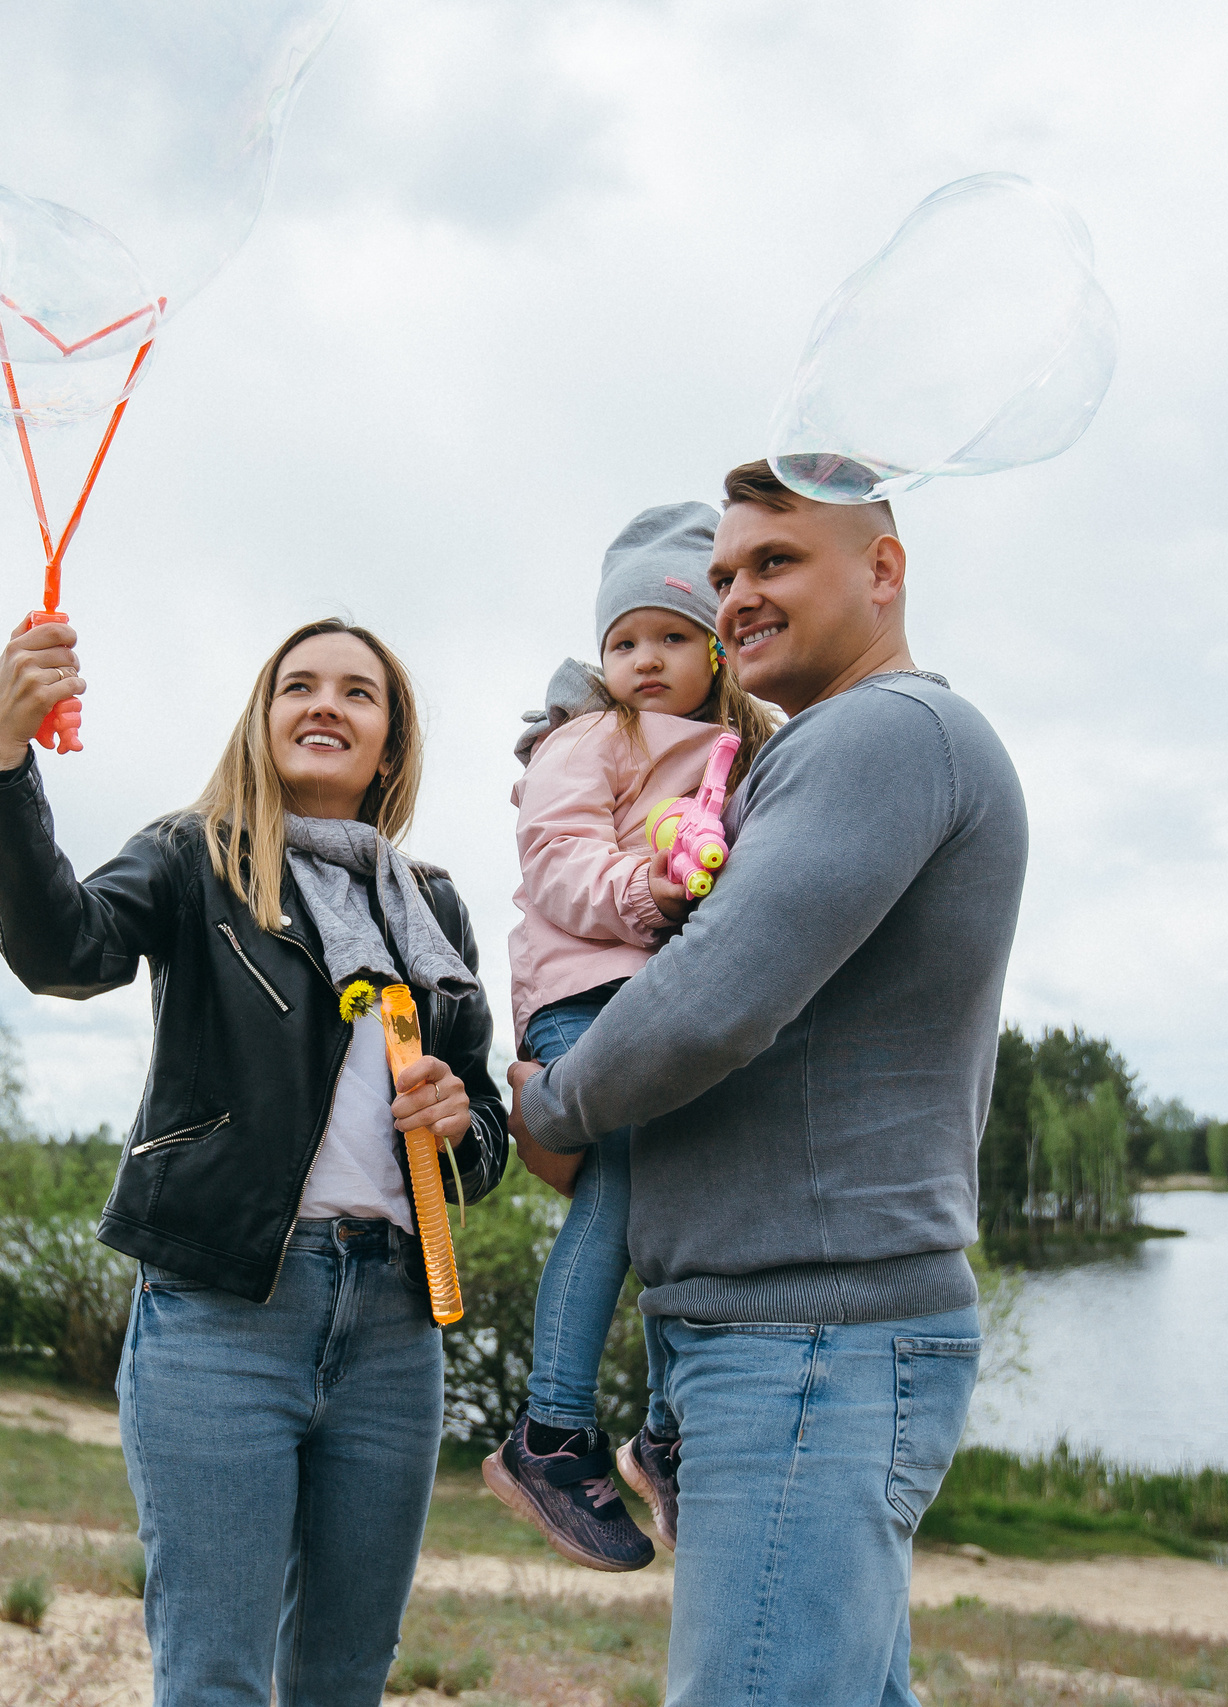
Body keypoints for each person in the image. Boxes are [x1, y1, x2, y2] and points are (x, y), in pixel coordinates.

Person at [509, 460, 1029, 1707]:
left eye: (774, 562)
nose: (734, 593)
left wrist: (555, 1103)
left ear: (882, 571)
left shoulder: (880, 734)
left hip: (809, 1343)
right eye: (725, 570)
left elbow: (713, 996)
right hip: (789, 1335)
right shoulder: (813, 751)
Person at [0, 614, 509, 1707]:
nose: (324, 704)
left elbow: (485, 1131)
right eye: (297, 686)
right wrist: (0, 763)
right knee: (214, 1678)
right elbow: (62, 950)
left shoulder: (433, 906)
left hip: (394, 1329)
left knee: (344, 1682)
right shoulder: (194, 858)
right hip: (221, 1315)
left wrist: (460, 1121)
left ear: (390, 744)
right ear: (262, 722)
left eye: (356, 692)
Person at [486, 502, 780, 1572]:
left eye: (670, 635)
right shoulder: (588, 738)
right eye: (623, 641)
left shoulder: (740, 749)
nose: (644, 660)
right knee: (613, 1193)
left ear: (717, 649)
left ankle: (663, 1431)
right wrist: (650, 890)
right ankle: (550, 1431)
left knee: (676, 1202)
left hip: (662, 1000)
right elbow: (557, 860)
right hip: (585, 995)